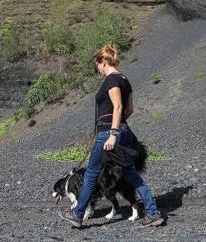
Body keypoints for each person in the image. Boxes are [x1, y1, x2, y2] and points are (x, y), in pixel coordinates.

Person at [58, 44, 164, 228]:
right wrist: (120, 127)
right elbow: (129, 109)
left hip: (109, 132)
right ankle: (153, 212)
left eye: (98, 65)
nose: (98, 69)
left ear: (104, 61)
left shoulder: (112, 80)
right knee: (131, 173)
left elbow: (118, 107)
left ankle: (77, 214)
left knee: (91, 174)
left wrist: (113, 133)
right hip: (122, 131)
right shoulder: (125, 80)